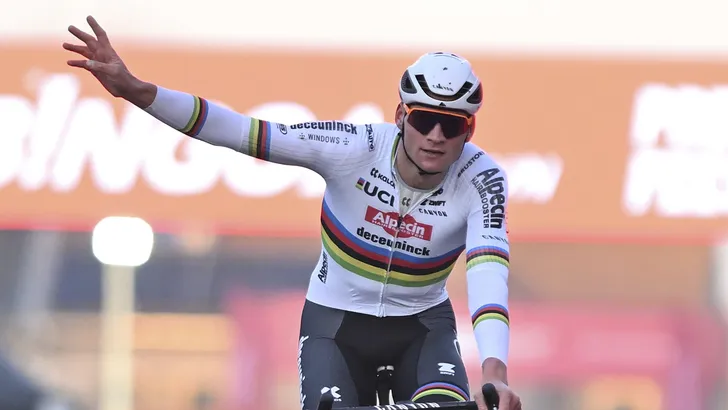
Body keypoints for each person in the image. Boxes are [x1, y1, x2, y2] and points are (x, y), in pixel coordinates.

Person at [62, 15, 522, 410]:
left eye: (451, 125)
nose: (436, 135)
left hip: (422, 328)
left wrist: (495, 375)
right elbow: (239, 131)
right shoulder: (353, 148)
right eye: (424, 119)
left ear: (470, 129)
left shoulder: (482, 179)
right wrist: (136, 90)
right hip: (336, 324)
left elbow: (488, 272)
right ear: (400, 116)